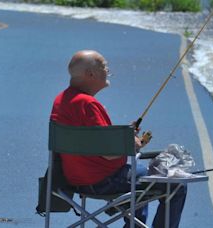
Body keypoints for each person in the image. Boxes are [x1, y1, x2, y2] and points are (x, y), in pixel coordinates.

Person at [50, 50, 187, 228]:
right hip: (104, 181)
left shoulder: (61, 100)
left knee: (137, 172)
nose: (108, 70)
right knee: (176, 184)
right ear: (90, 74)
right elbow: (109, 153)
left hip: (74, 179)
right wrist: (133, 144)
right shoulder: (88, 104)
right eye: (104, 66)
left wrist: (123, 137)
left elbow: (92, 140)